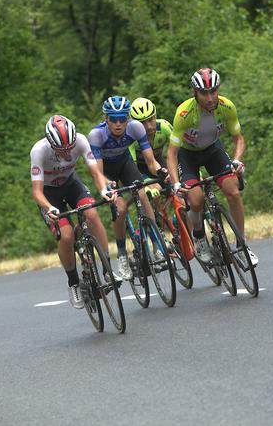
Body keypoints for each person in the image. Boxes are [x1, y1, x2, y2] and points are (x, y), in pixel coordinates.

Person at [166, 67, 258, 266]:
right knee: (196, 199)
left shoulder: (227, 107)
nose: (210, 97)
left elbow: (239, 139)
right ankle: (199, 235)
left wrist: (236, 160)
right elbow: (172, 154)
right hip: (187, 155)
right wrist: (175, 183)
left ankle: (241, 245)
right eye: (204, 93)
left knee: (233, 191)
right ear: (195, 93)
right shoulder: (184, 113)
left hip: (212, 151)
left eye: (213, 91)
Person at [31, 115, 116, 309]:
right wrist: (49, 208)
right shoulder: (38, 151)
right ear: (51, 144)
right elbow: (36, 192)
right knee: (67, 236)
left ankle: (107, 269)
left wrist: (103, 190)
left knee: (92, 214)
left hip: (71, 184)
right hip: (48, 194)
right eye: (62, 149)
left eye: (70, 147)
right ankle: (74, 282)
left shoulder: (81, 140)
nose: (67, 152)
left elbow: (95, 172)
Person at [88, 96, 169, 281]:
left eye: (123, 119)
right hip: (106, 172)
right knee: (121, 208)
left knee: (143, 194)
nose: (118, 124)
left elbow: (150, 161)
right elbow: (98, 173)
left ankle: (157, 246)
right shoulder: (97, 135)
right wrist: (107, 187)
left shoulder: (136, 128)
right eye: (113, 119)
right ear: (105, 118)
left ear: (128, 118)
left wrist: (161, 171)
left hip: (125, 164)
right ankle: (122, 254)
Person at [128, 97, 175, 201]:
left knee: (180, 188)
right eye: (142, 123)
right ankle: (154, 215)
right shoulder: (132, 136)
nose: (148, 127)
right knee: (155, 191)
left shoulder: (164, 127)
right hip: (140, 169)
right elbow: (132, 166)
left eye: (150, 120)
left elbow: (181, 151)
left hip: (158, 163)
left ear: (156, 116)